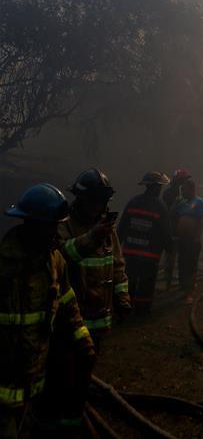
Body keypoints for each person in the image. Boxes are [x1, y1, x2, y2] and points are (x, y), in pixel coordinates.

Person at [0, 184, 95, 438]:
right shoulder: (4, 265)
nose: (55, 233)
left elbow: (67, 302)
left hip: (35, 381)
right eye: (49, 226)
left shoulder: (55, 262)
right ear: (30, 225)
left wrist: (82, 339)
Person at [60, 168, 131, 339]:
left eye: (101, 201)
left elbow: (117, 265)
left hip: (99, 320)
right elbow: (61, 257)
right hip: (69, 320)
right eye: (92, 201)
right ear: (80, 199)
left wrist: (122, 299)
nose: (97, 207)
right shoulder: (64, 223)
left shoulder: (106, 228)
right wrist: (92, 237)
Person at [118, 172, 172, 313]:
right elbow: (166, 232)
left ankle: (125, 308)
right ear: (157, 187)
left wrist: (117, 247)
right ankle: (142, 310)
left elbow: (122, 227)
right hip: (150, 255)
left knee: (129, 280)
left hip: (131, 252)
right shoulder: (160, 206)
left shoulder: (133, 202)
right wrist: (170, 250)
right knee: (146, 284)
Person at [172, 178, 203, 303]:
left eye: (184, 190)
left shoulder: (199, 202)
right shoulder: (181, 202)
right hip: (182, 239)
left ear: (191, 189)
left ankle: (190, 292)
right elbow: (172, 215)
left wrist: (198, 236)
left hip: (193, 239)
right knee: (182, 264)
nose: (182, 192)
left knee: (191, 265)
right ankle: (183, 287)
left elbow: (202, 219)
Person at [162, 168, 192, 290]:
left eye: (186, 180)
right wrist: (176, 203)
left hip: (184, 231)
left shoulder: (187, 193)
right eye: (183, 180)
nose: (185, 183)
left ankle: (182, 283)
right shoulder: (168, 194)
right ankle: (168, 284)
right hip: (172, 231)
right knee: (170, 259)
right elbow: (167, 213)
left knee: (184, 258)